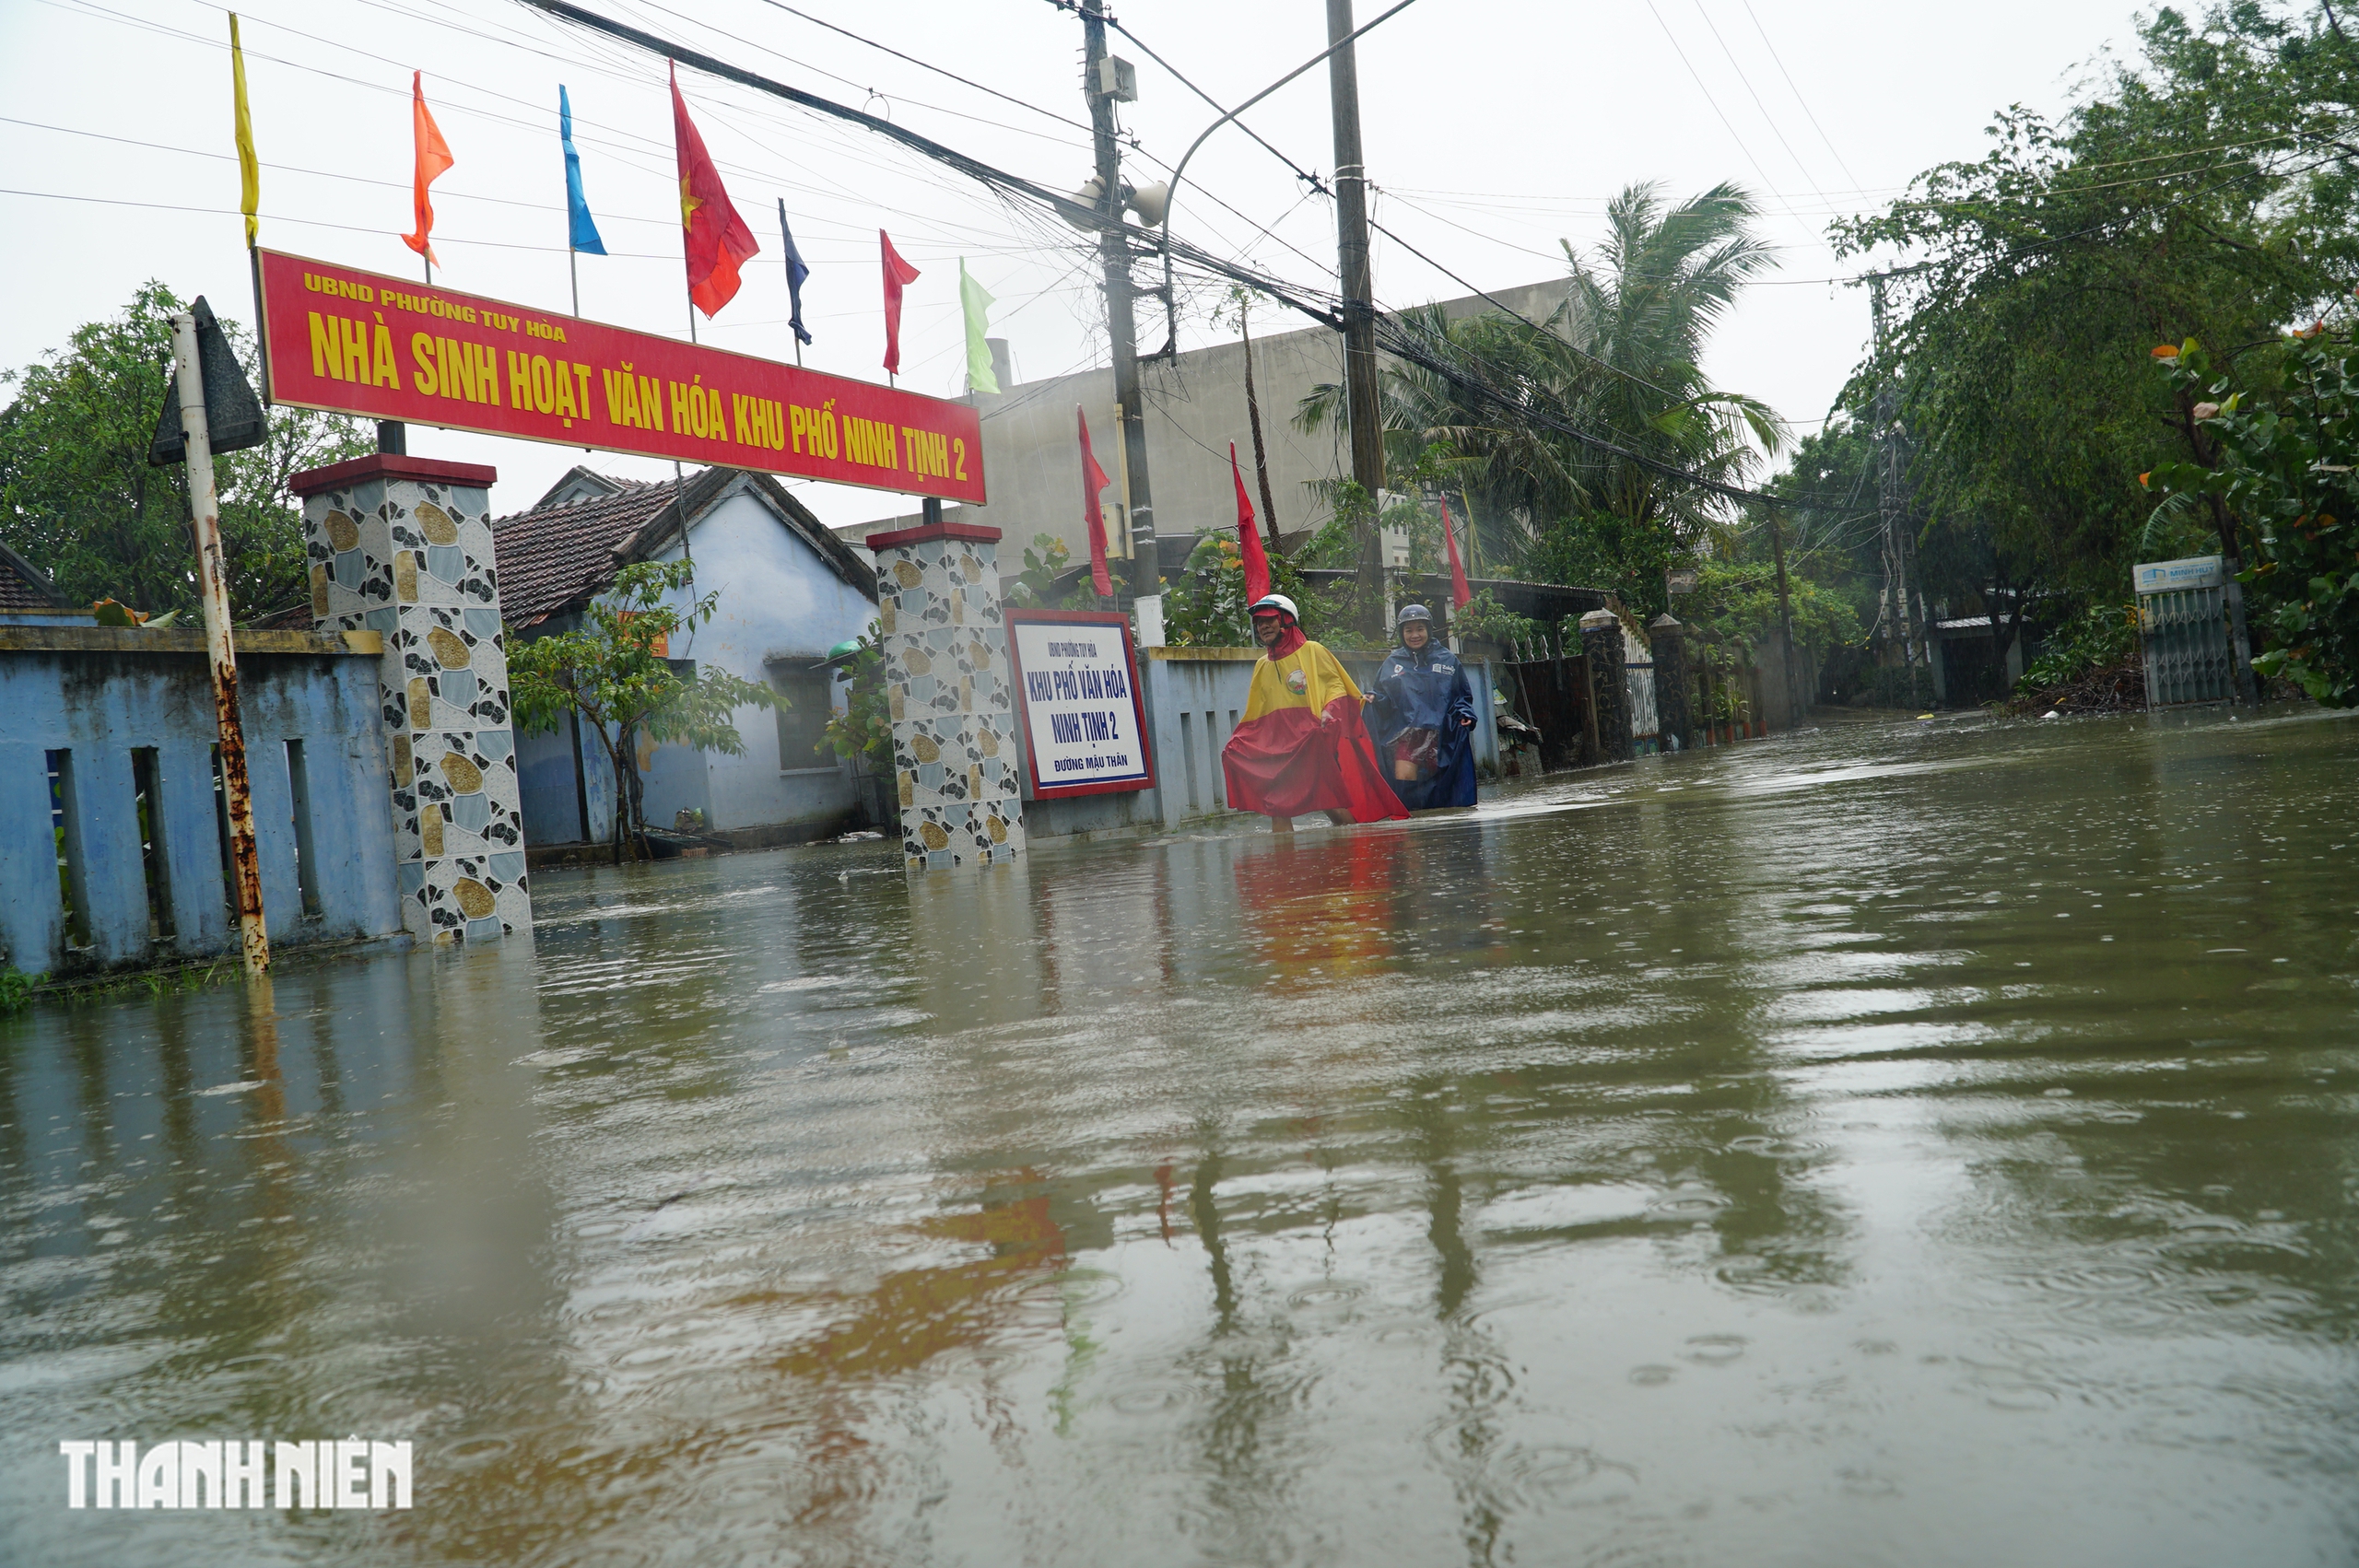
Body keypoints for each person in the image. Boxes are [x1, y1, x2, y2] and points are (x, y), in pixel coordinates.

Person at [1221, 594, 1408, 829]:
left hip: (1311, 740)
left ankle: (1358, 845)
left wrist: (1329, 711)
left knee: (1328, 801)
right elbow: (1256, 712)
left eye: (1269, 620)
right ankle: (1290, 856)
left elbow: (1335, 685)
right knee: (1278, 806)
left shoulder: (1313, 650)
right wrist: (1238, 741)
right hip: (1281, 747)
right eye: (1259, 622)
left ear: (1287, 620)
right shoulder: (1262, 665)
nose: (1263, 626)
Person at [1367, 603, 1479, 810]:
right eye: (1409, 630)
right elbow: (1383, 697)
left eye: (1420, 629)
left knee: (1446, 791)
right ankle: (1411, 829)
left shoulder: (1448, 660)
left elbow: (1461, 696)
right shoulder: (1392, 663)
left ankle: (1442, 830)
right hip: (1407, 737)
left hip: (1442, 735)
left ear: (1428, 629)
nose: (1415, 635)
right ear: (1401, 633)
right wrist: (1374, 698)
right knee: (1404, 786)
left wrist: (1465, 713)